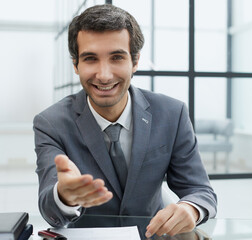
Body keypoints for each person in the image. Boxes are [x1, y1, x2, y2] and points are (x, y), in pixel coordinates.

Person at [33, 4, 217, 238]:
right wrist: (64, 196)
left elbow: (199, 190)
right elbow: (49, 208)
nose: (104, 75)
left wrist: (190, 209)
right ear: (76, 65)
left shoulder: (172, 113)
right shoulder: (51, 123)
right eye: (90, 59)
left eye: (117, 57)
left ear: (135, 61)